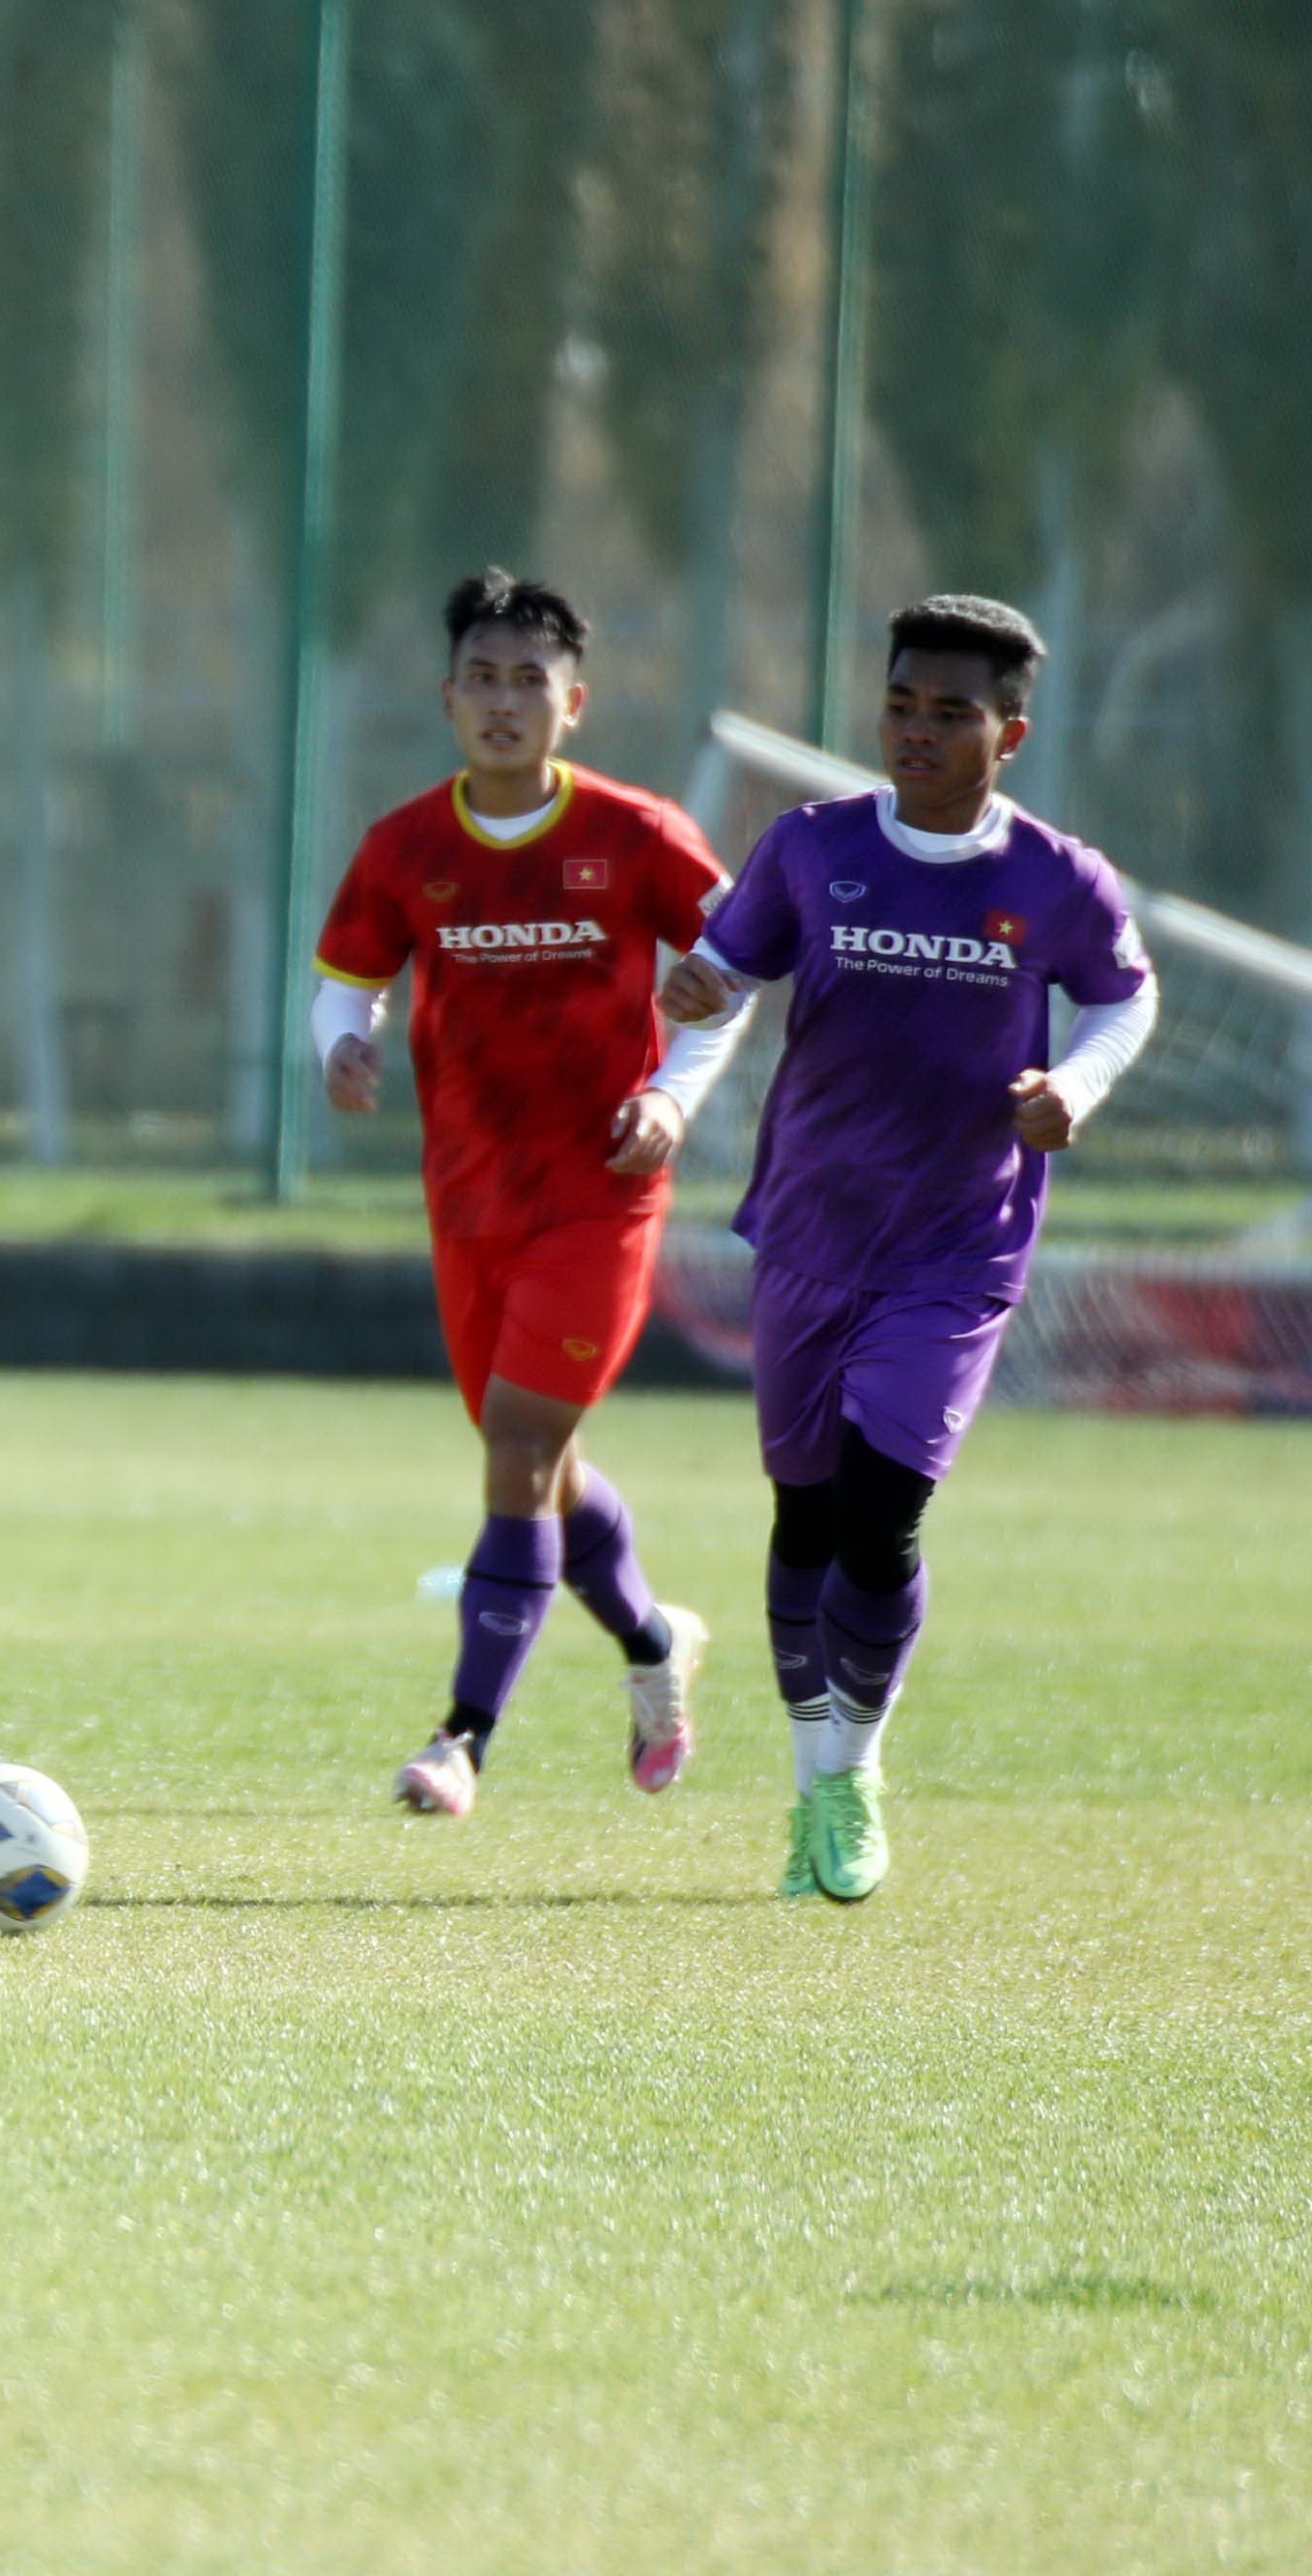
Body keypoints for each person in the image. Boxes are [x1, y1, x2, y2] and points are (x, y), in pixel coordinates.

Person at [659, 594, 1155, 1905]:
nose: (918, 731)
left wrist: (1079, 1091)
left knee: (884, 1517)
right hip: (810, 1228)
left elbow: (1124, 994)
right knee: (806, 1512)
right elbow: (719, 975)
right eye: (901, 704)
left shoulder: (1055, 878)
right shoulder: (811, 848)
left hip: (957, 1245)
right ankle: (814, 1775)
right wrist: (690, 1005)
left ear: (1011, 734)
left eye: (952, 713)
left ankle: (852, 1775)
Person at [313, 571, 744, 1817]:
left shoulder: (639, 835)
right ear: (449, 699)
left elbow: (733, 970)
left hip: (602, 1192)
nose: (507, 703)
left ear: (576, 704)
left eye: (531, 682)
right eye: (484, 680)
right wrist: (340, 1044)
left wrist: (672, 1099)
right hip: (467, 1196)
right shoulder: (404, 848)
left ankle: (462, 1741)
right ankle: (656, 1647)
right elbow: (347, 978)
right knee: (542, 1463)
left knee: (515, 1448)